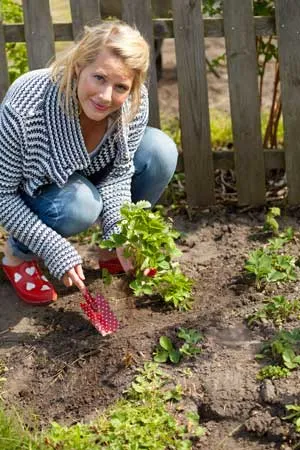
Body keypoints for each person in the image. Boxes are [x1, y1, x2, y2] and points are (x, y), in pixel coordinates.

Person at [0, 21, 178, 305]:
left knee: (160, 151)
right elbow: (3, 195)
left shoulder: (133, 102)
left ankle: (111, 250)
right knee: (81, 205)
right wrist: (53, 246)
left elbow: (118, 175)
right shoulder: (26, 105)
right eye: (99, 78)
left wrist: (119, 232)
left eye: (120, 86)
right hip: (39, 191)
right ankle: (17, 256)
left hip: (93, 176)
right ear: (79, 66)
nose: (106, 96)